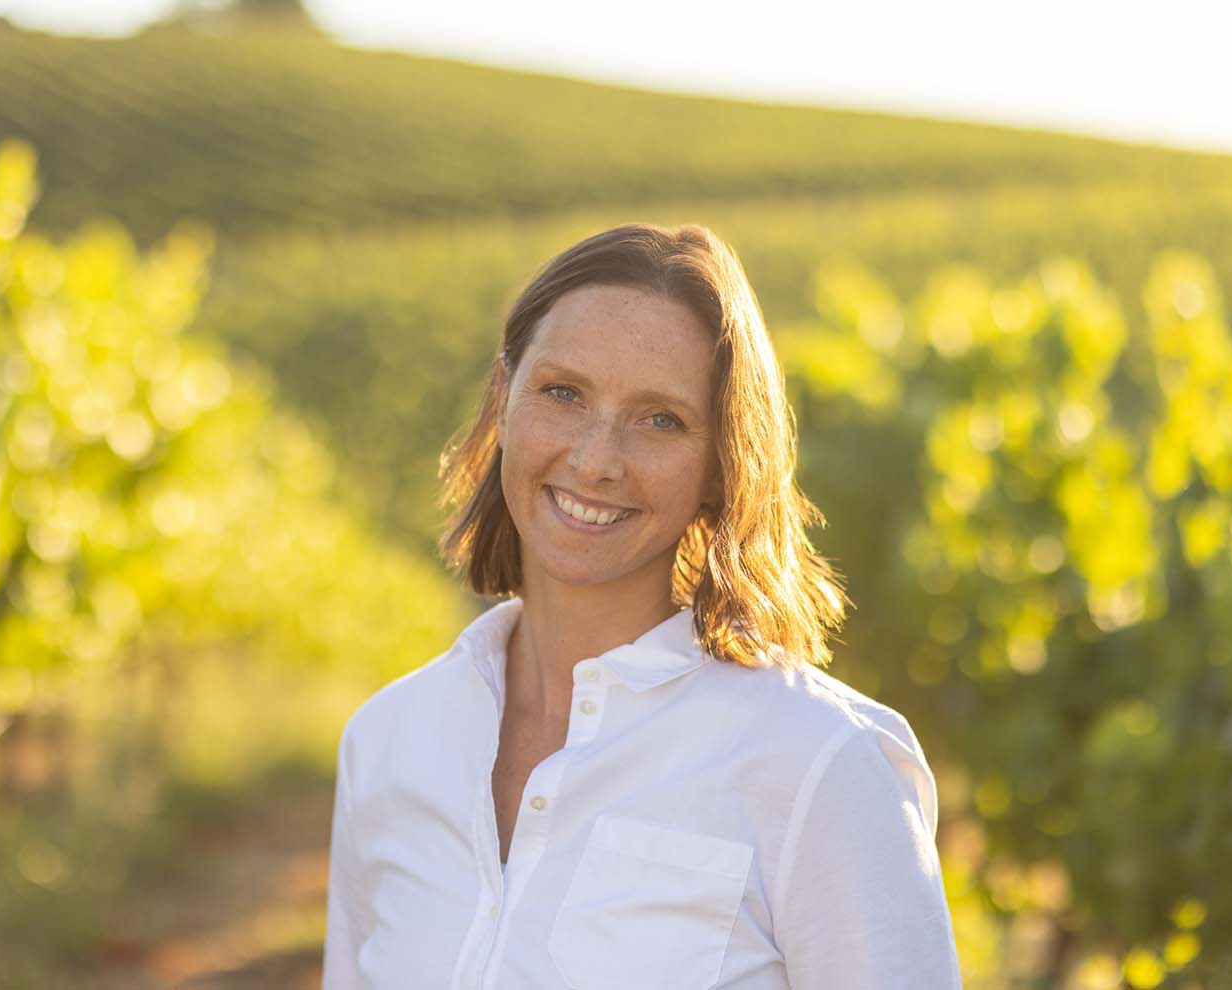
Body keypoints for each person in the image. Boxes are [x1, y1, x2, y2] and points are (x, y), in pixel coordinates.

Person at [321, 223, 962, 989]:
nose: (596, 460)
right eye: (563, 393)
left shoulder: (823, 766)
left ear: (723, 465)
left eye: (661, 419)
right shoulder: (390, 740)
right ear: (504, 398)